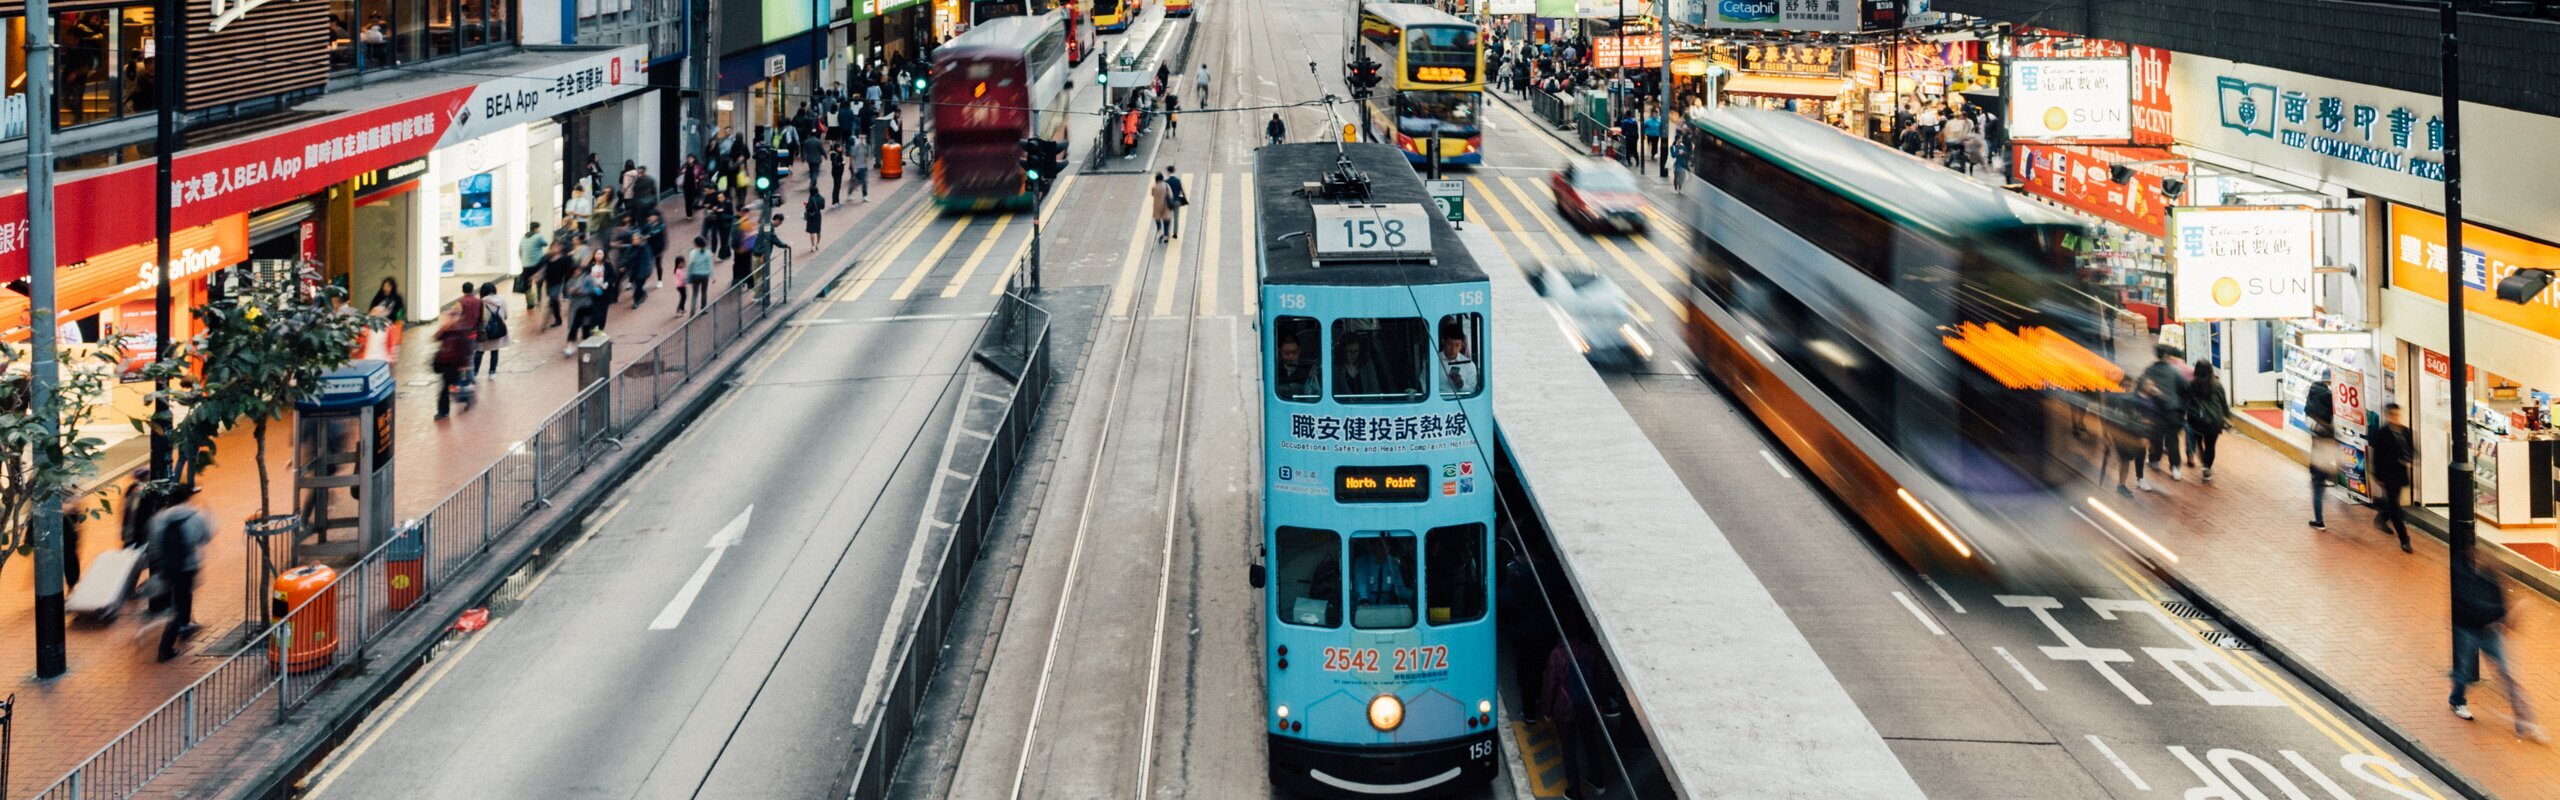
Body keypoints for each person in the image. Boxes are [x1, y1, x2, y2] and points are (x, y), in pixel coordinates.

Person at [2451, 551, 2541, 739]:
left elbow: (2502, 606)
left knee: (2508, 673)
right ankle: (2457, 700)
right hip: (2467, 629)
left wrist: (2506, 616)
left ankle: (2524, 720)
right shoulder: (2467, 578)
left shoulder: (2494, 579)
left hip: (2489, 631)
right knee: (2464, 670)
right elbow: (2476, 607)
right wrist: (2502, 613)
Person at [150, 484, 209, 662]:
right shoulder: (193, 516)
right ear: (186, 498)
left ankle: (184, 625)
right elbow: (203, 537)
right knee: (182, 601)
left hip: (167, 568)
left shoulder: (159, 519)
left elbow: (154, 545)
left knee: (176, 599)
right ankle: (165, 647)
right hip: (187, 566)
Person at [2370, 402, 2416, 553]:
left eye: (2397, 415)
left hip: (2401, 473)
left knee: (2393, 503)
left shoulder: (2406, 431)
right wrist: (2378, 475)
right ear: (2387, 415)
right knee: (2395, 508)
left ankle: (2382, 516)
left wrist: (2409, 458)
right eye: (2393, 415)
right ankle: (2404, 539)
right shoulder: (2382, 433)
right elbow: (2377, 457)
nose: (2396, 418)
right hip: (2388, 474)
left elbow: (2412, 450)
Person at [2140, 346, 2189, 481]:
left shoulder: (2149, 370)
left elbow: (2141, 385)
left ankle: (2154, 460)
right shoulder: (2175, 371)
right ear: (2166, 356)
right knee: (2172, 440)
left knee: (2156, 437)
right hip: (2172, 411)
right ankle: (2175, 468)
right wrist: (2181, 406)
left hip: (2155, 411)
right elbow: (2185, 388)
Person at [2183, 364, 2229, 481]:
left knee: (2199, 442)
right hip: (2214, 420)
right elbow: (2224, 403)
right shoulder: (2217, 385)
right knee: (2210, 446)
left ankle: (2202, 461)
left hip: (2197, 420)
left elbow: (2186, 402)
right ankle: (2206, 467)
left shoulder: (2191, 385)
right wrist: (2227, 417)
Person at [432, 306, 475, 420]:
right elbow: (435, 338)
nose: (449, 319)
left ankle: (446, 410)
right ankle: (444, 410)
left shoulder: (461, 330)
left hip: (455, 364)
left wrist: (464, 365)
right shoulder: (446, 329)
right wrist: (443, 329)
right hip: (445, 362)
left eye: (452, 316)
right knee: (449, 387)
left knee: (452, 386)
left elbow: (466, 348)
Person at [2306, 378, 2337, 529]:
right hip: (2326, 464)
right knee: (2319, 490)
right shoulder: (2328, 396)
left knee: (2317, 491)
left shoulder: (2312, 392)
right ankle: (2319, 520)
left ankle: (2319, 520)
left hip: (2318, 464)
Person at [474, 282, 508, 380]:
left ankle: (475, 373)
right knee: (494, 351)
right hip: (497, 330)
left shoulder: (481, 302)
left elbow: (478, 318)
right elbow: (505, 315)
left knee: (479, 352)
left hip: (484, 331)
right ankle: (492, 373)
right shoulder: (502, 300)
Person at [1439, 324, 1477, 396]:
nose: (1453, 349)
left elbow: (1473, 392)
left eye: (1457, 345)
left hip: (1461, 404)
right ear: (1443, 341)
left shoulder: (1469, 364)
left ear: (1462, 344)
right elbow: (1424, 386)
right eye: (1450, 344)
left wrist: (1461, 385)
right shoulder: (1433, 361)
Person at [682, 236, 715, 313]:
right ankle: (703, 308)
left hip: (695, 274)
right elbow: (710, 266)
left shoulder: (693, 253)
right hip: (705, 275)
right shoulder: (708, 253)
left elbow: (690, 265)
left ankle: (693, 308)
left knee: (695, 292)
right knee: (704, 292)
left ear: (696, 244)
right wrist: (713, 276)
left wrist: (687, 275)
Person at [643, 211, 669, 290]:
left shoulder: (661, 225)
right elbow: (643, 231)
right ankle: (644, 282)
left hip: (658, 248)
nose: (649, 218)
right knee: (647, 265)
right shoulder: (649, 225)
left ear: (656, 217)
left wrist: (646, 236)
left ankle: (659, 280)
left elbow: (654, 233)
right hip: (649, 247)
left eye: (651, 216)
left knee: (658, 264)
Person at [1150, 173, 1176, 243]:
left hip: (1157, 207)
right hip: (1165, 207)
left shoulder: (1154, 187)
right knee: (1166, 222)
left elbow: (1152, 194)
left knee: (1158, 221)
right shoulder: (1166, 186)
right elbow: (1171, 196)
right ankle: (1166, 237)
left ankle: (1160, 232)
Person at [1163, 166, 1187, 238]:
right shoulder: (1178, 181)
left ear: (1168, 172)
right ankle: (1175, 233)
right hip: (1177, 201)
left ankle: (1167, 233)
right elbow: (1183, 192)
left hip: (1169, 202)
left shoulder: (1166, 182)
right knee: (1176, 218)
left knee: (1168, 217)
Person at [829, 141, 848, 207]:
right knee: (836, 187)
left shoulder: (837, 154)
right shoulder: (836, 155)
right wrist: (842, 163)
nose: (841, 148)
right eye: (840, 147)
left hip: (838, 173)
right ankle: (834, 202)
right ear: (837, 148)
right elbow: (836, 165)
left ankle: (836, 201)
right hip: (837, 173)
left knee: (837, 187)